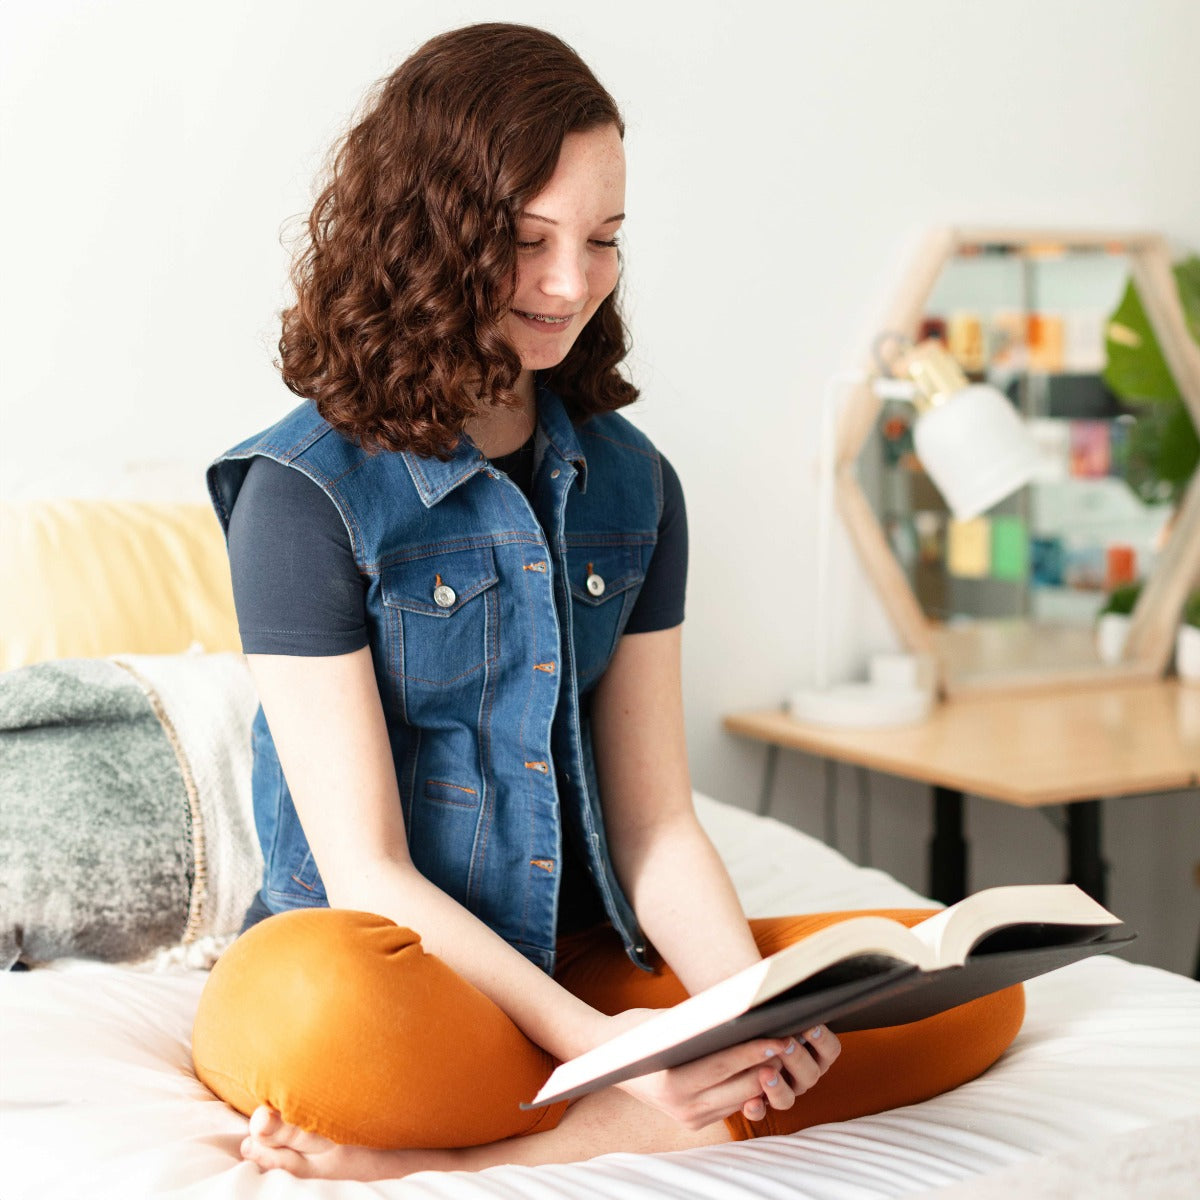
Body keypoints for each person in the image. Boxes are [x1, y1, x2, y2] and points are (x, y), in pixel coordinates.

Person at [193, 22, 1024, 1180]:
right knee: (314, 1018)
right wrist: (620, 1051)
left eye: (603, 240)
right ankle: (606, 1114)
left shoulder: (636, 485)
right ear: (426, 236)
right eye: (527, 240)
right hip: (390, 968)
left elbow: (656, 825)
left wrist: (742, 1014)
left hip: (583, 953)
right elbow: (366, 868)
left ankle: (472, 1154)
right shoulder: (300, 495)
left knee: (958, 987)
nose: (571, 283)